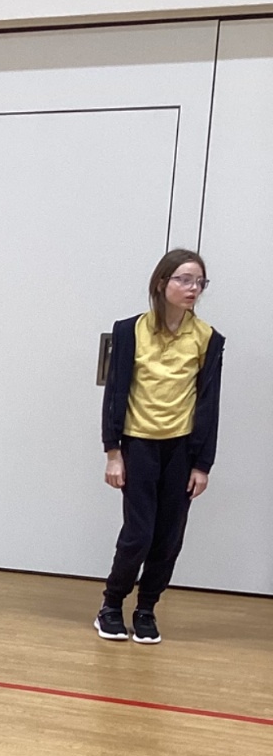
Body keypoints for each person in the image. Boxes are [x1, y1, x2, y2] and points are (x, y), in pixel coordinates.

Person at [95, 248, 224, 645]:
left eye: (199, 282)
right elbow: (115, 394)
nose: (193, 288)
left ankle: (146, 608)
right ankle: (111, 605)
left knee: (168, 537)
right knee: (139, 534)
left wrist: (202, 464)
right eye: (184, 279)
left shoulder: (207, 338)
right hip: (138, 446)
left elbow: (209, 403)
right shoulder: (129, 331)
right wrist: (113, 452)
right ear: (162, 282)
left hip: (181, 450)